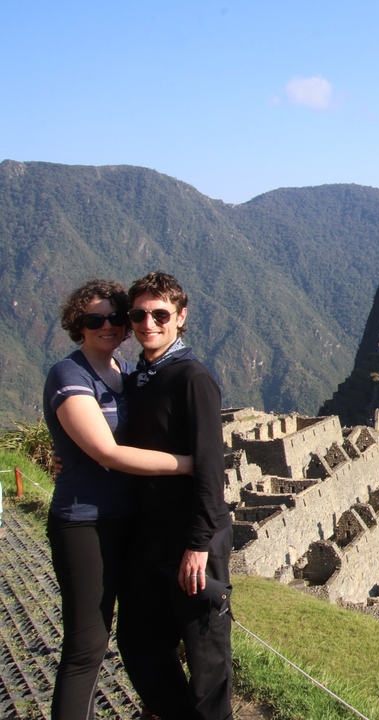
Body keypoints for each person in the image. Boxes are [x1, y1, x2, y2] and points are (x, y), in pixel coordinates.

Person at [43, 279, 194, 720]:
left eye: (115, 317)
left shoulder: (127, 375)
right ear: (79, 324)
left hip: (133, 520)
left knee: (144, 627)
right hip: (85, 521)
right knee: (88, 643)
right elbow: (105, 450)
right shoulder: (68, 375)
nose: (107, 326)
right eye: (95, 319)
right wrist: (189, 464)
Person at [116, 272, 233, 720]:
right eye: (139, 314)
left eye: (160, 314)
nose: (149, 323)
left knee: (206, 659)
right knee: (139, 641)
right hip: (147, 533)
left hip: (190, 534)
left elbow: (209, 467)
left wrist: (198, 544)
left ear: (180, 318)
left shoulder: (192, 378)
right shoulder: (140, 380)